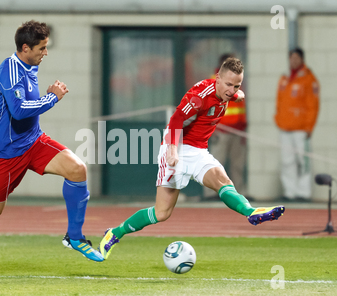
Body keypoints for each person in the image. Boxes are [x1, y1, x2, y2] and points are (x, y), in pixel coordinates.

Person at [0, 20, 103, 275]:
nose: (46, 53)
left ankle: (74, 237)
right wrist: (52, 97)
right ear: (26, 47)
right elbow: (18, 111)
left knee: (77, 170)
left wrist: (0, 107)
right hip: (5, 155)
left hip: (34, 142)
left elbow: (15, 101)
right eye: (42, 48)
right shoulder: (10, 68)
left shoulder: (30, 66)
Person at [99, 58, 285, 259]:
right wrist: (172, 151)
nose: (232, 90)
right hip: (176, 148)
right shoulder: (199, 97)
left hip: (198, 151)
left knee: (224, 182)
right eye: (229, 85)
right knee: (161, 213)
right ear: (217, 79)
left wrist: (237, 93)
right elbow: (175, 120)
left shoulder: (226, 92)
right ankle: (115, 233)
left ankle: (251, 212)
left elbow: (233, 94)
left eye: (236, 85)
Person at [275, 48, 319, 202]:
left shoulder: (308, 79)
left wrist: (309, 127)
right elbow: (280, 102)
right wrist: (278, 119)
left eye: (296, 58)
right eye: (291, 58)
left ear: (302, 59)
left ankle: (304, 193)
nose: (293, 61)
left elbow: (313, 105)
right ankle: (290, 192)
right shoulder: (285, 78)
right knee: (287, 161)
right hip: (285, 128)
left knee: (303, 161)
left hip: (301, 129)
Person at [204, 54, 248, 199]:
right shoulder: (213, 81)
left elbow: (241, 106)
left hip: (238, 130)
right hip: (220, 130)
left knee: (238, 164)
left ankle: (239, 193)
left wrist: (243, 127)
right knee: (216, 162)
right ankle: (211, 193)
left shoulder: (237, 82)